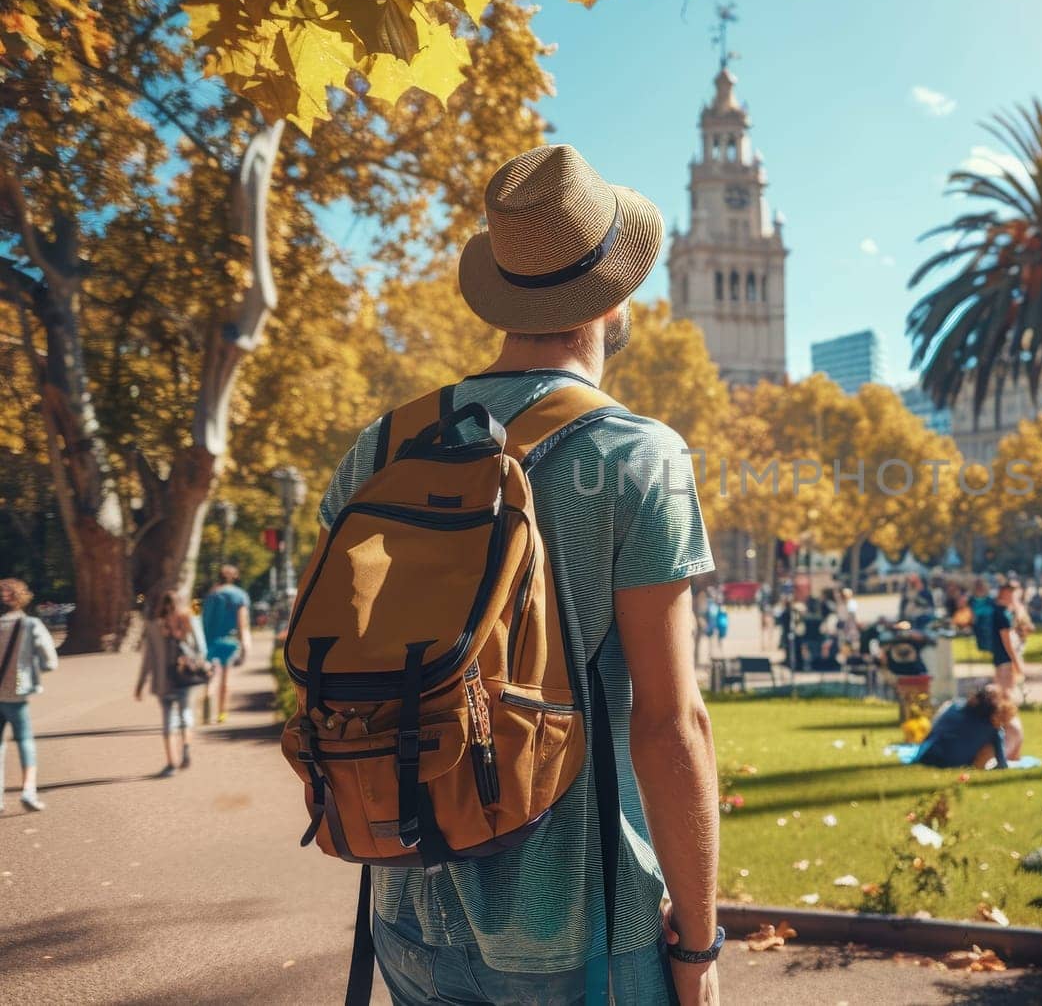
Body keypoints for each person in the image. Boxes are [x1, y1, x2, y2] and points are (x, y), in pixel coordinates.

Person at [317, 146, 720, 1005]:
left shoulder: (378, 450)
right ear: (613, 300)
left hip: (406, 904)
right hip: (580, 929)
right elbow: (669, 724)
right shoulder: (638, 457)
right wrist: (699, 942)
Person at [0, 578, 59, 814]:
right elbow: (50, 662)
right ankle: (28, 790)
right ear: (22, 598)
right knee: (24, 740)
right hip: (17, 691)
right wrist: (31, 669)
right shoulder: (31, 625)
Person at [135, 590, 209, 777]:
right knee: (185, 713)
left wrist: (141, 683)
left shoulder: (153, 626)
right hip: (185, 677)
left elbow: (148, 659)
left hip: (163, 680)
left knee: (168, 721)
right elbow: (202, 650)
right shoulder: (188, 621)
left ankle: (171, 764)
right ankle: (185, 750)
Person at [914, 684, 1017, 769]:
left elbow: (934, 730)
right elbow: (1002, 763)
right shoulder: (992, 728)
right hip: (953, 763)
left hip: (926, 755)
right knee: (989, 746)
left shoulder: (953, 707)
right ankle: (979, 768)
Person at [199, 564, 252, 724]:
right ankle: (222, 713)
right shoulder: (239, 596)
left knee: (211, 677)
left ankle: (207, 709)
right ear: (235, 577)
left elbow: (203, 619)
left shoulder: (211, 595)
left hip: (210, 640)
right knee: (226, 678)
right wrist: (245, 645)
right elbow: (242, 623)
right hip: (229, 641)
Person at [986, 582, 1025, 760]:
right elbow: (1006, 641)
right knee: (1006, 700)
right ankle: (1009, 742)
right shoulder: (1001, 614)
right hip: (1005, 661)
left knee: (1004, 699)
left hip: (1001, 660)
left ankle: (1007, 742)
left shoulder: (1000, 612)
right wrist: (1016, 662)